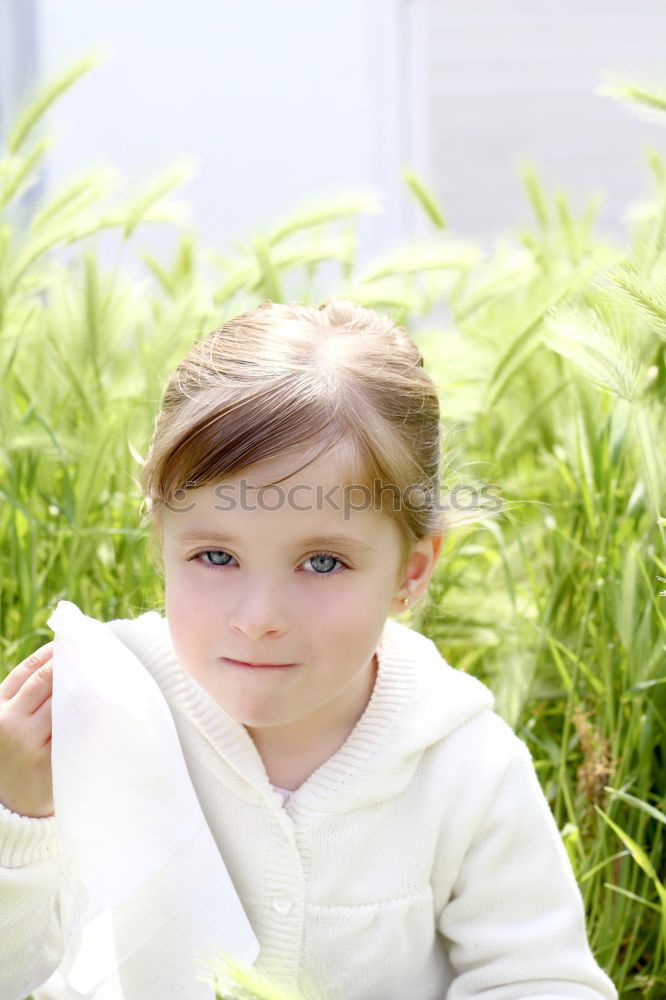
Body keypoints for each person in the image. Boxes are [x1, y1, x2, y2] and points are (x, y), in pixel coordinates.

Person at [0, 300, 617, 999]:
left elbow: (540, 978)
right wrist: (17, 816)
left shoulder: (463, 763)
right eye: (214, 555)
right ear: (162, 547)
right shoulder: (97, 712)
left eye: (322, 563)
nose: (259, 618)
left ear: (410, 573)